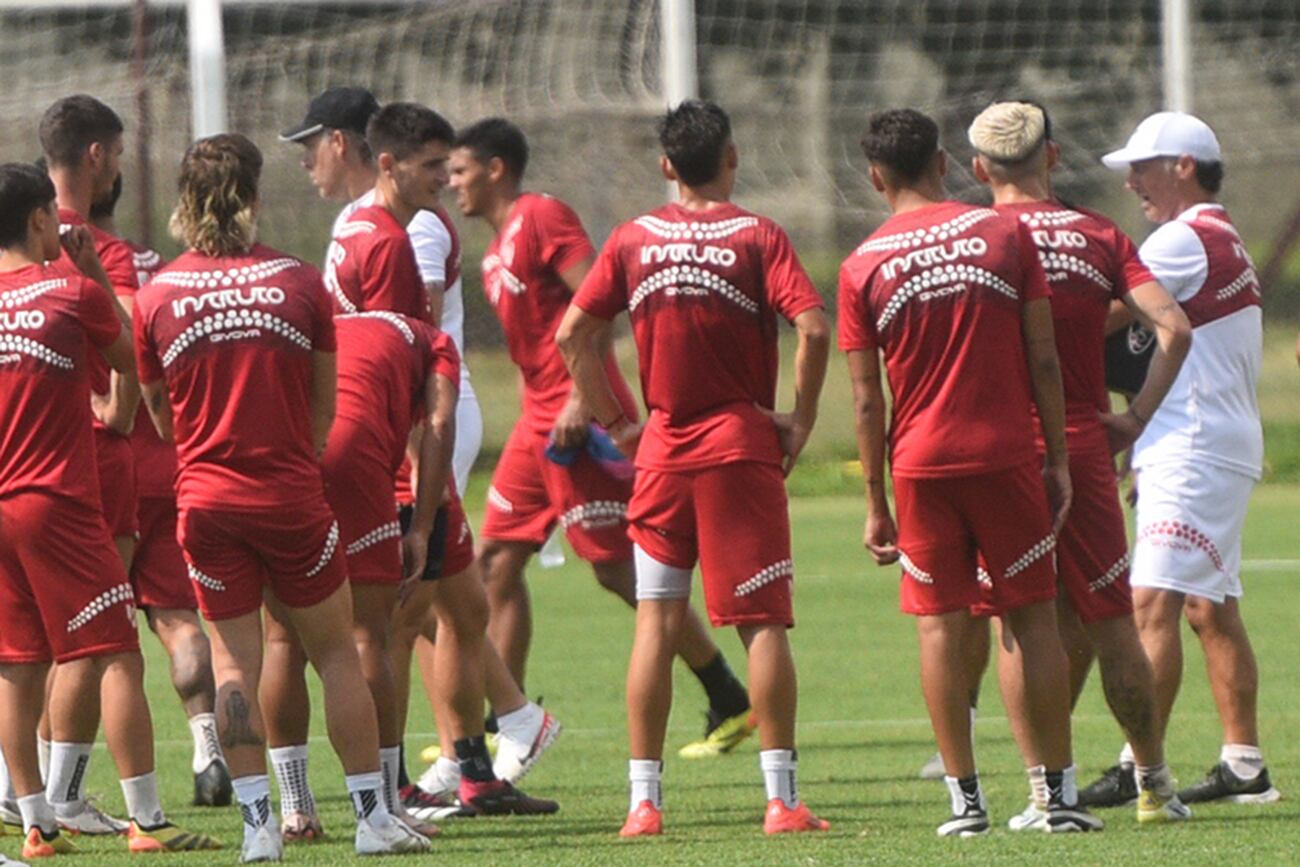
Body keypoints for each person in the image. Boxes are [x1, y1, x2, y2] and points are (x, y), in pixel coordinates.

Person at [133, 133, 429, 860]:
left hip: (204, 499)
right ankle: (371, 816)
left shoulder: (157, 294)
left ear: (183, 202)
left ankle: (259, 828)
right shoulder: (301, 284)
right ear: (256, 198)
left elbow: (161, 414)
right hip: (292, 493)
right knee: (335, 651)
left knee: (234, 662)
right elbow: (325, 409)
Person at [557, 99, 831, 836]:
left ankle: (643, 804)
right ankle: (782, 801)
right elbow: (811, 325)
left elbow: (572, 332)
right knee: (762, 625)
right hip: (738, 448)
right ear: (733, 158)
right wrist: (800, 418)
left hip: (663, 454)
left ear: (666, 166)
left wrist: (618, 423)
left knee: (656, 620)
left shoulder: (632, 237)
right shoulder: (757, 235)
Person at [449, 117, 756, 759]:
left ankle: (727, 694)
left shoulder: (541, 218)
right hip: (535, 427)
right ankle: (510, 718)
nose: (452, 184)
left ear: (496, 169)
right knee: (494, 564)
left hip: (570, 417)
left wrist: (577, 398)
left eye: (460, 171)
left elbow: (602, 305)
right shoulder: (495, 247)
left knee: (620, 571)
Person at [840, 108, 1099, 835]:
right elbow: (1044, 357)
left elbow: (866, 400)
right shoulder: (1003, 233)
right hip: (1006, 457)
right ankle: (1054, 797)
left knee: (939, 630)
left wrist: (872, 498)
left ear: (875, 177)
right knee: (1031, 618)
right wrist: (1056, 455)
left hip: (919, 466)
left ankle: (966, 803)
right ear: (947, 164)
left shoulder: (862, 263)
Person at [963, 100, 1193, 826]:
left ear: (978, 169)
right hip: (1088, 445)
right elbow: (1175, 327)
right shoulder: (1099, 234)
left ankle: (1043, 793)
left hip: (1003, 451)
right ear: (1052, 158)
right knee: (1112, 619)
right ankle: (1154, 781)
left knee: (1017, 620)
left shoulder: (974, 238)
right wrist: (1135, 418)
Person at [0, 162, 219, 858]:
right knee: (115, 648)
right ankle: (147, 819)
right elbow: (133, 357)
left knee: (18, 662)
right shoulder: (69, 291)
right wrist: (91, 271)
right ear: (43, 219)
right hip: (57, 501)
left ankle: (35, 821)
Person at [281, 87, 488, 810]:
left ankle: (474, 765)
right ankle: (391, 788)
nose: (446, 180)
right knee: (396, 621)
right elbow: (408, 357)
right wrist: (414, 486)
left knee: (461, 608)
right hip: (399, 449)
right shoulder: (397, 239)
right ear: (392, 163)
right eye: (434, 166)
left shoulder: (358, 226)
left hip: (381, 441)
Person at [1081, 111, 1279, 808]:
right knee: (1207, 606)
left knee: (1149, 602)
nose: (1131, 180)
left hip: (1193, 444)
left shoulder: (1181, 240)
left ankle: (1139, 767)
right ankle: (1245, 766)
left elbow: (1094, 314)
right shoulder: (1217, 233)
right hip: (1208, 440)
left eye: (1143, 166)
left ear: (1184, 166)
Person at [88, 173, 232, 809]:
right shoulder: (161, 267)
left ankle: (40, 787)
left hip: (103, 467)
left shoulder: (82, 260)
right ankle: (208, 749)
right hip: (170, 462)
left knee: (85, 633)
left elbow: (118, 381)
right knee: (179, 622)